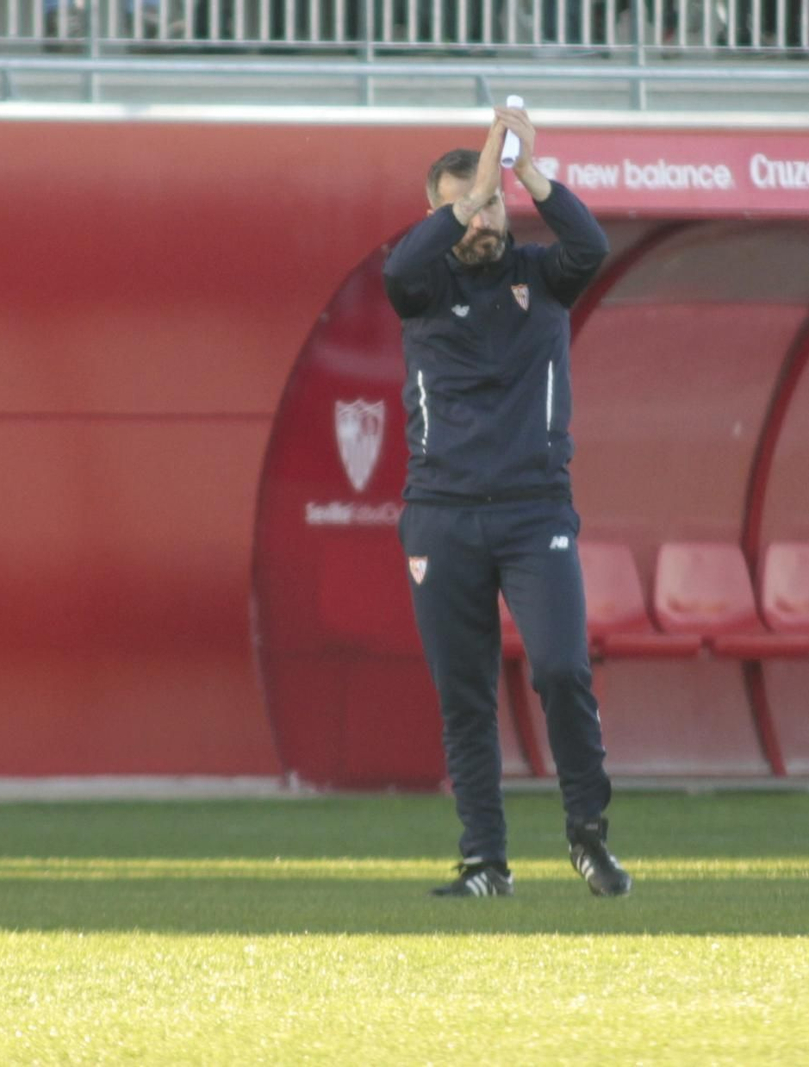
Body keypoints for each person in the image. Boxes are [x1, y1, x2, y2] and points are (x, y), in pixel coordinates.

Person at [382, 105, 631, 899]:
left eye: (492, 202)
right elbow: (396, 273)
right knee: (463, 695)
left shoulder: (539, 275)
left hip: (534, 511)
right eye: (469, 202)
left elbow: (590, 245)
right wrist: (473, 186)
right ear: (441, 214)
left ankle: (588, 835)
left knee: (561, 667)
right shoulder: (421, 286)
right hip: (442, 511)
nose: (485, 215)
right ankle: (486, 861)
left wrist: (529, 172)